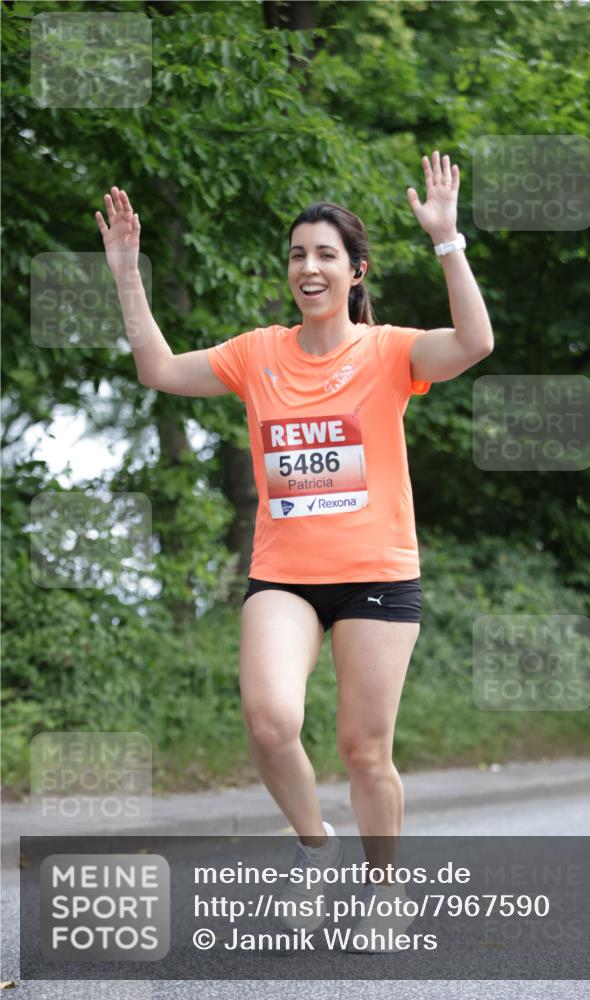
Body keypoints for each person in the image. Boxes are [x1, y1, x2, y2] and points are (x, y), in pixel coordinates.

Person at [96, 150, 494, 951]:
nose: (307, 267)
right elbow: (159, 369)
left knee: (362, 749)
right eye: (297, 254)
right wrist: (127, 273)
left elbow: (475, 343)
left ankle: (386, 890)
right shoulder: (257, 354)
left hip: (378, 576)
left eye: (325, 255)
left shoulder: (389, 352)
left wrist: (447, 241)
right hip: (285, 576)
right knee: (271, 721)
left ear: (353, 273)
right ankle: (315, 845)